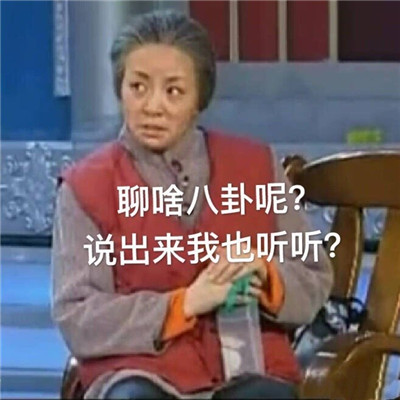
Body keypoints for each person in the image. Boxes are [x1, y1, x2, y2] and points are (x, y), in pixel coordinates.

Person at [51, 10, 333, 399]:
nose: (153, 106)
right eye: (138, 87)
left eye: (173, 91)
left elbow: (313, 276)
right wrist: (183, 305)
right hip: (139, 373)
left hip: (248, 370)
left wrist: (267, 275)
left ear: (200, 97)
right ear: (120, 89)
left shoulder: (255, 165)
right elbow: (78, 313)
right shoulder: (86, 186)